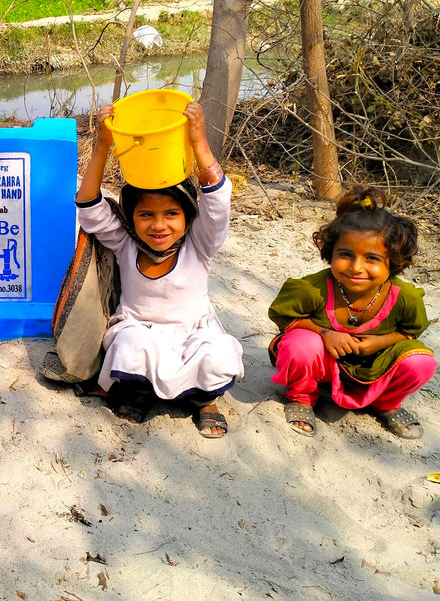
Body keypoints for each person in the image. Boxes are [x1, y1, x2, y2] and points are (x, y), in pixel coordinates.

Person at [75, 100, 243, 438]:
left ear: (187, 217)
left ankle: (205, 402)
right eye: (146, 215)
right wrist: (103, 146)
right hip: (141, 331)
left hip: (193, 335)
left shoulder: (200, 244)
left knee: (220, 353)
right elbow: (89, 207)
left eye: (171, 214)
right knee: (131, 344)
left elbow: (218, 200)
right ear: (131, 218)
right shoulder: (125, 243)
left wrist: (198, 141)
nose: (158, 225)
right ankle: (139, 394)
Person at [268, 187, 435, 439]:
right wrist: (325, 333)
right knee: (300, 344)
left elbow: (411, 332)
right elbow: (284, 317)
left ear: (394, 261)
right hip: (321, 364)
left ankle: (385, 403)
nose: (356, 268)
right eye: (345, 255)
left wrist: (381, 341)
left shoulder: (405, 297)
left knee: (422, 362)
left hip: (374, 365)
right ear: (330, 252)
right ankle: (301, 397)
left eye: (372, 258)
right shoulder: (310, 288)